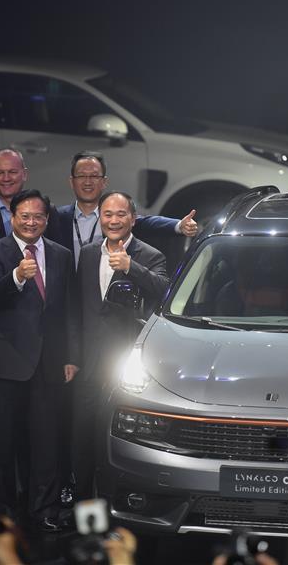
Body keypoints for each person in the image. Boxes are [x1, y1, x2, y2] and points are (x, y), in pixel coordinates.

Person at [0, 189, 76, 532]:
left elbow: (67, 310)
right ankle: (2, 510)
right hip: (6, 360)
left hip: (49, 362)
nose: (31, 222)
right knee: (2, 443)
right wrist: (17, 276)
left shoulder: (61, 254)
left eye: (38, 216)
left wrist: (71, 356)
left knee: (46, 442)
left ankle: (44, 509)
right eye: (25, 216)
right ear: (13, 217)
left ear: (46, 220)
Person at [70, 191, 169, 500]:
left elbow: (165, 291)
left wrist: (130, 267)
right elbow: (78, 309)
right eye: (107, 214)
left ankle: (117, 507)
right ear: (100, 218)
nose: (113, 220)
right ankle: (82, 507)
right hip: (88, 365)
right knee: (82, 441)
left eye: (121, 214)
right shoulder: (88, 253)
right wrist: (73, 357)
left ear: (133, 219)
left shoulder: (151, 255)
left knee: (118, 443)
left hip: (126, 367)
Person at [46, 151, 199, 268]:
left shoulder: (114, 218)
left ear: (104, 182)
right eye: (81, 176)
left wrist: (179, 225)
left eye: (94, 176)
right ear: (72, 182)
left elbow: (148, 222)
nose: (88, 182)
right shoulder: (57, 217)